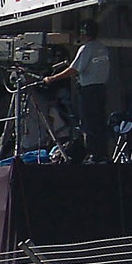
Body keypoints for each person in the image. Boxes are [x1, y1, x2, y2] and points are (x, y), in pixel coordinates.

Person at [43, 19, 111, 159]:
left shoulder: (86, 48)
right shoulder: (102, 48)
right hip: (101, 89)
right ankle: (102, 154)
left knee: (88, 123)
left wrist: (52, 78)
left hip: (88, 90)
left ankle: (93, 155)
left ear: (83, 33)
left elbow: (74, 69)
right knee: (99, 122)